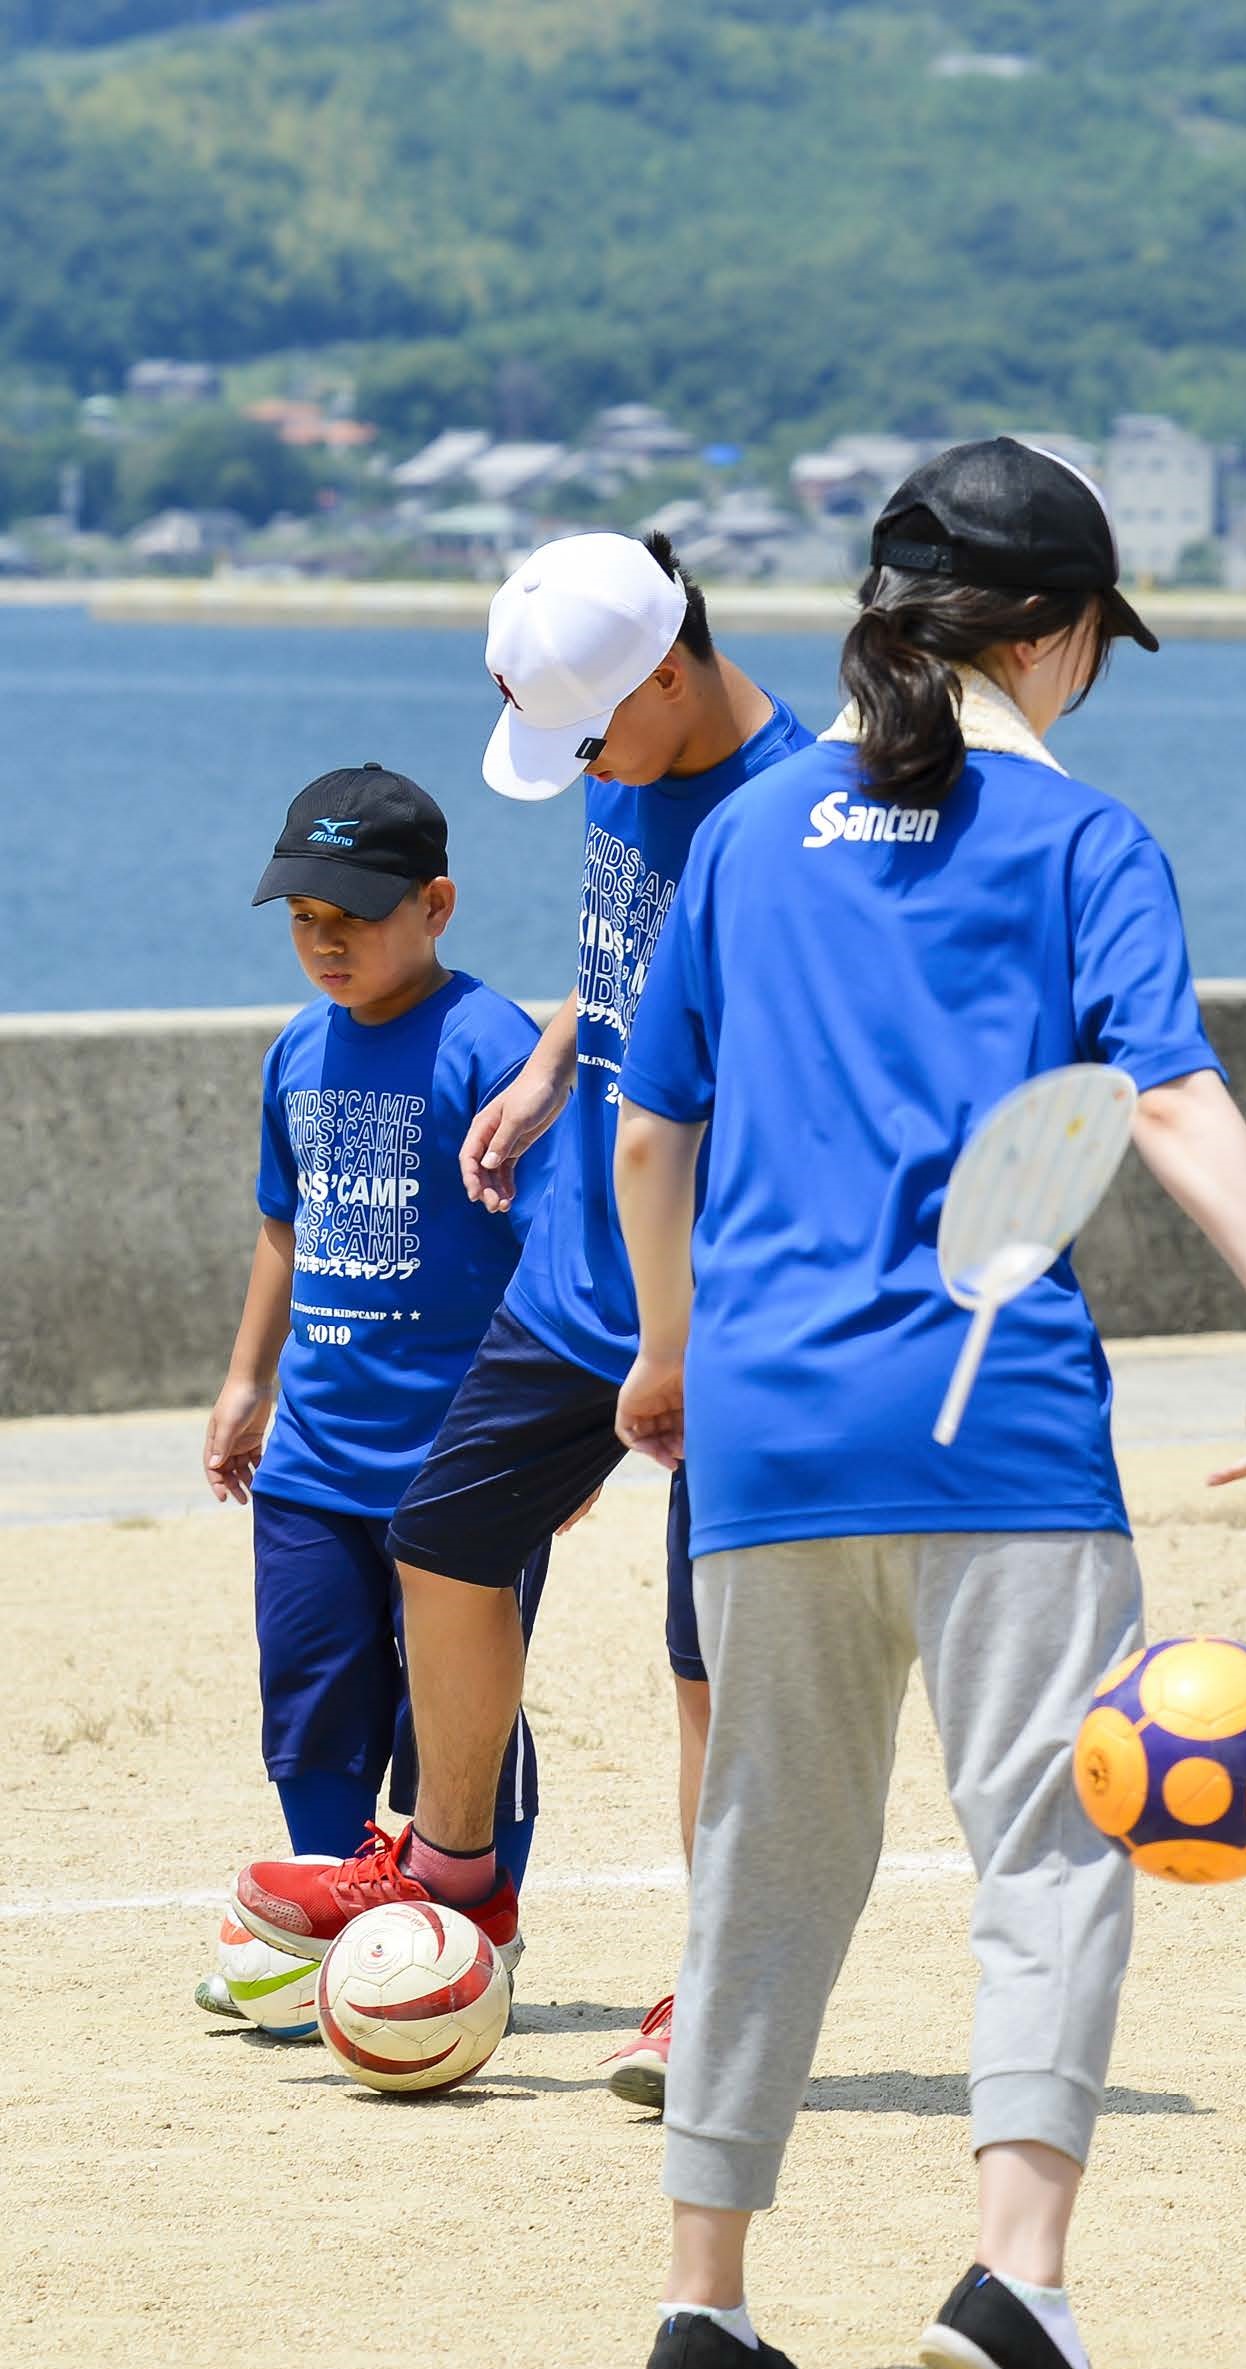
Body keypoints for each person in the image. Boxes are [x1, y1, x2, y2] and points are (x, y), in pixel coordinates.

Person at [612, 438, 1246, 2369]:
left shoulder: (745, 841)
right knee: (1051, 1839)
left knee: (768, 1848)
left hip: (763, 1424)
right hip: (988, 1421)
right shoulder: (1082, 836)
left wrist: (669, 1352)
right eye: (1099, 629)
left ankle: (705, 2298)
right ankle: (1016, 2277)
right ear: (1050, 632)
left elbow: (652, 1129)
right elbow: (1169, 1099)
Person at [228, 532, 808, 2110]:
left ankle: (721, 1990)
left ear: (669, 669)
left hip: (720, 1291)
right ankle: (458, 1874)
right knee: (442, 1539)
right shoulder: (629, 741)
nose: (586, 766)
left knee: (710, 1662)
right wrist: (559, 1052)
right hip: (573, 1272)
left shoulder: (784, 819)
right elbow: (626, 970)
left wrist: (675, 1342)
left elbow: (752, 1083)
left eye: (593, 737)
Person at [207, 769, 553, 2003]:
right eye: (304, 918)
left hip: (460, 1468)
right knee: (310, 1700)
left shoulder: (492, 1046)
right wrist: (248, 1382)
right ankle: (322, 1933)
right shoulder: (299, 1050)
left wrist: (551, 1441)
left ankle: (472, 1928)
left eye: (352, 914)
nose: (325, 940)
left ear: (438, 903)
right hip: (310, 1460)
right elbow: (283, 1227)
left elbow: (556, 1248)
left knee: (448, 1720)